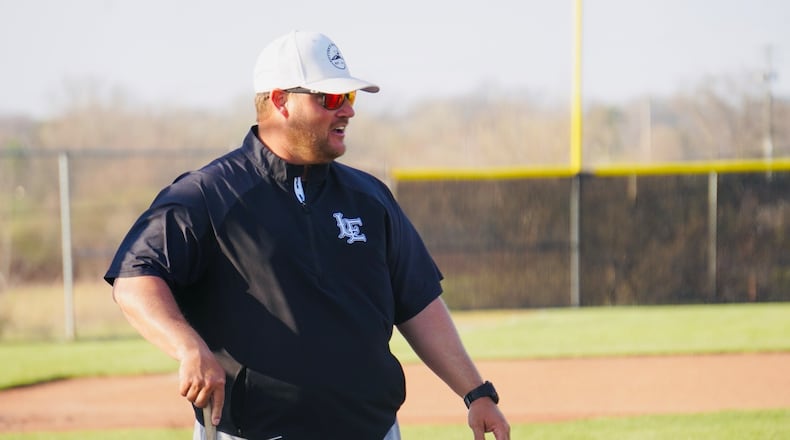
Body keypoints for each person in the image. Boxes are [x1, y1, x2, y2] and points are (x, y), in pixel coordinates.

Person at [105, 30, 511, 440]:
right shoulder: (208, 194)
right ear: (280, 100)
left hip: (372, 430)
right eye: (330, 99)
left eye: (349, 98)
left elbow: (418, 301)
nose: (348, 111)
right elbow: (135, 280)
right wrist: (188, 347)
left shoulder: (369, 198)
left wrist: (476, 392)